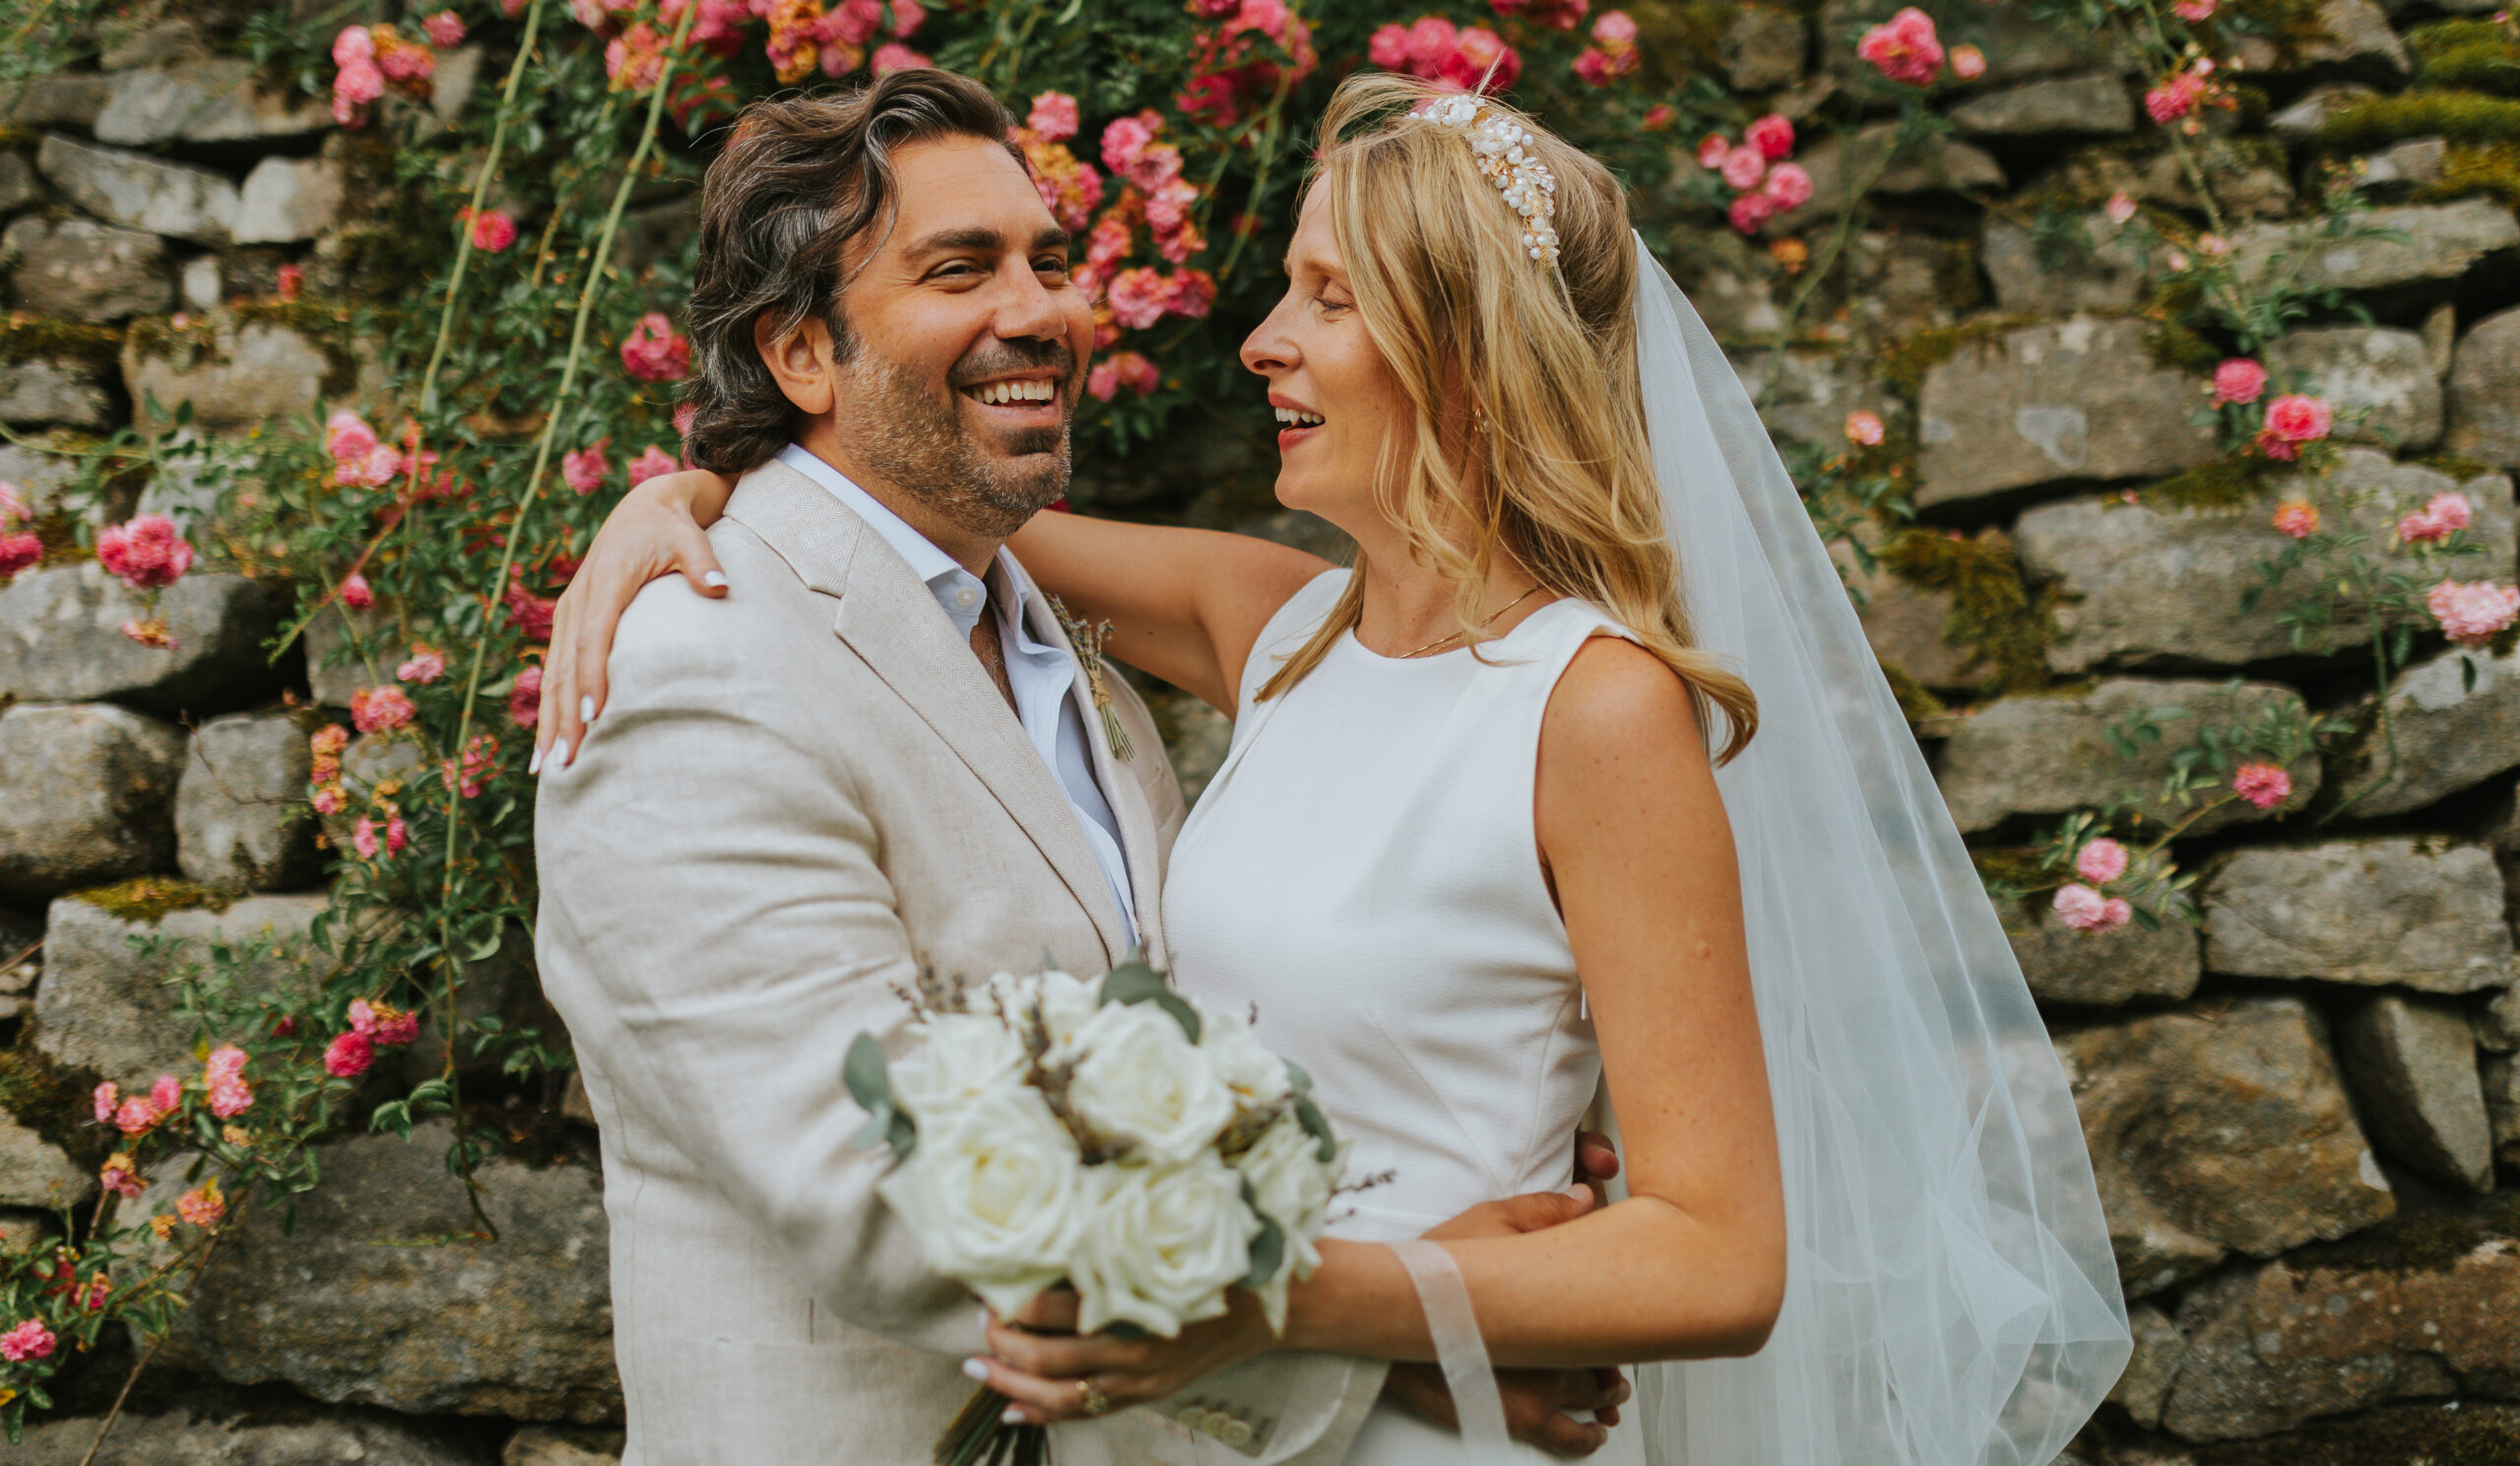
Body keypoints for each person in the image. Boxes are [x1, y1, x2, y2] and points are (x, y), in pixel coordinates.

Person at [540, 72, 2133, 1463]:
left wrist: (1415, 1316)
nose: (1259, 340)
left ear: (1466, 351)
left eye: (1328, 296)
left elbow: (1719, 1254)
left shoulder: (1592, 708)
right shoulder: (1282, 629)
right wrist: (684, 494)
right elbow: (888, 511)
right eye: (966, 266)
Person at [530, 69, 1630, 1466]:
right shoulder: (700, 672)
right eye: (959, 269)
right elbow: (877, 1193)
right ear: (804, 355)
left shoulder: (1074, 653)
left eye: (1049, 261)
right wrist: (1406, 1338)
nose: (1043, 309)